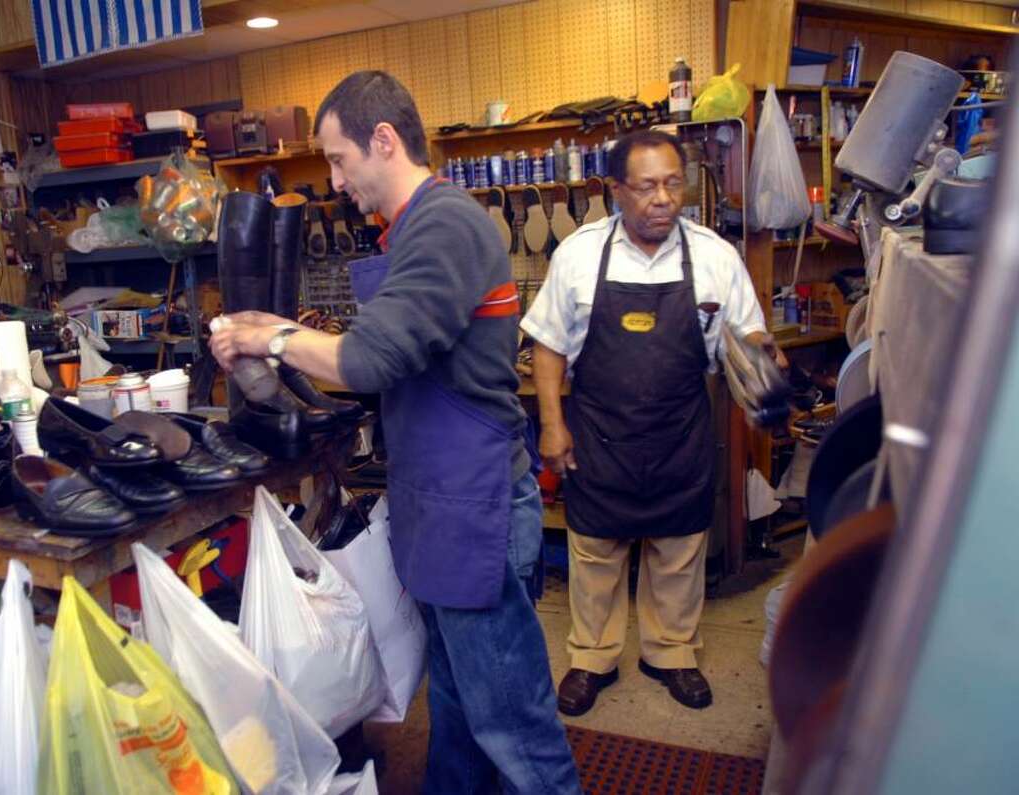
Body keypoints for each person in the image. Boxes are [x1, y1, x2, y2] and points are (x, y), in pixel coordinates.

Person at [211, 70, 582, 794]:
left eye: (339, 159)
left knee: (512, 718)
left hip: (472, 502)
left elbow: (372, 359)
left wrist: (273, 339)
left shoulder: (443, 225)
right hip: (440, 501)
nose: (335, 180)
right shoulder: (412, 228)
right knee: (459, 706)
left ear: (383, 140)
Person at [521, 130, 786, 717]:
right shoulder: (580, 255)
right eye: (646, 187)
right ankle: (592, 657)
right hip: (599, 432)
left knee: (679, 550)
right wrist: (552, 426)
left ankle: (670, 652)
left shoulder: (714, 255)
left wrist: (762, 357)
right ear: (616, 190)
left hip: (681, 430)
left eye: (672, 183)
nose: (663, 198)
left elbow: (747, 332)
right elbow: (548, 346)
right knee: (596, 553)